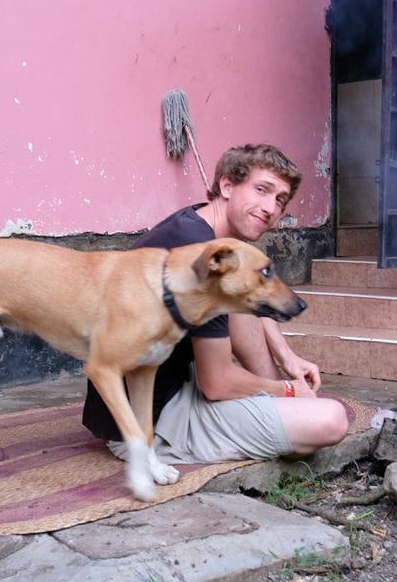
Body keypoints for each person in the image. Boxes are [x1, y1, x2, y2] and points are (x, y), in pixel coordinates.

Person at [83, 143, 349, 465]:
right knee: (331, 419)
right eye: (261, 190)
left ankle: (277, 406)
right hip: (146, 420)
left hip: (167, 381)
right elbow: (217, 384)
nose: (270, 208)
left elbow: (252, 296)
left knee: (245, 292)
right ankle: (280, 409)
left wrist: (287, 358)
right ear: (227, 186)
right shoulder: (201, 254)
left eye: (280, 200)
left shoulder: (198, 226)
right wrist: (288, 390)